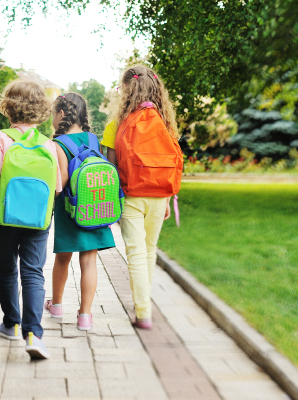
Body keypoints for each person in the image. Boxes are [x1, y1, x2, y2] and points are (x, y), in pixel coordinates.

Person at [0, 80, 62, 360]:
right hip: (38, 220)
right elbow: (55, 188)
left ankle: (10, 323)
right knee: (33, 272)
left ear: (8, 108)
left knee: (6, 269)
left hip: (5, 217)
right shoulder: (48, 145)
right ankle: (33, 333)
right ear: (41, 110)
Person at [110, 64, 182, 329]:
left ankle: (143, 312)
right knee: (149, 250)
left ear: (127, 91)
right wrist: (165, 197)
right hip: (159, 195)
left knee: (136, 253)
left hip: (132, 196)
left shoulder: (118, 124)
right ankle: (143, 303)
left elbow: (113, 166)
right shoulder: (164, 122)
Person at [44, 93, 116, 331]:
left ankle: (56, 305)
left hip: (70, 207)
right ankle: (85, 315)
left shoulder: (58, 143)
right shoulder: (93, 139)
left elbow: (62, 180)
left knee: (62, 259)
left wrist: (48, 196)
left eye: (54, 114)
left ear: (61, 114)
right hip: (94, 205)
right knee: (89, 261)